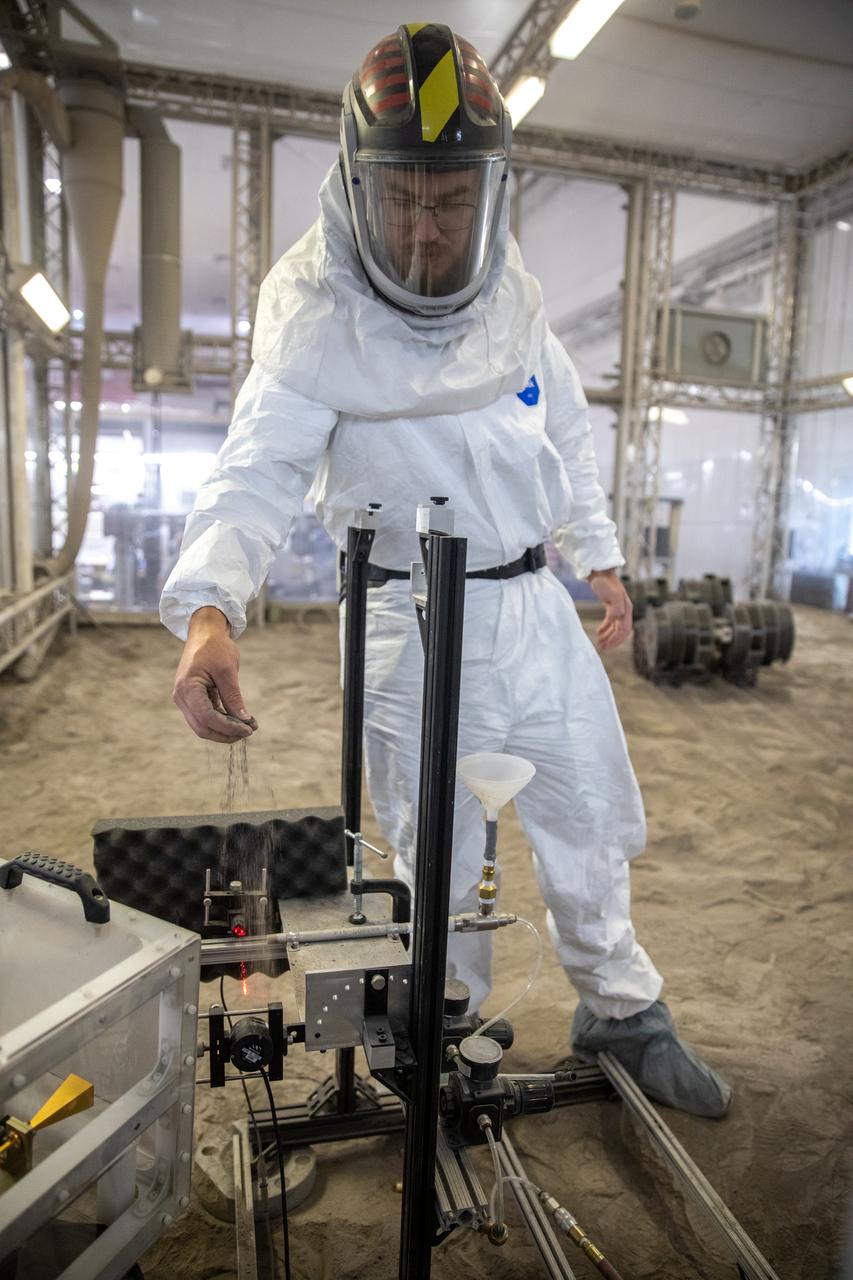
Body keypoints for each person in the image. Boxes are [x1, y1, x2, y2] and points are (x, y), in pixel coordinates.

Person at [161, 23, 731, 1117]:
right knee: (437, 849)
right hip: (409, 619)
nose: (427, 230)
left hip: (531, 604)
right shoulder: (319, 320)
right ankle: (441, 1028)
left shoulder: (510, 299)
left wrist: (600, 559)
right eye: (404, 201)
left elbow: (563, 435)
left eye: (452, 202)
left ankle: (620, 1005)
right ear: (357, 184)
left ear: (492, 193)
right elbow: (252, 473)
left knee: (585, 811)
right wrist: (207, 609)